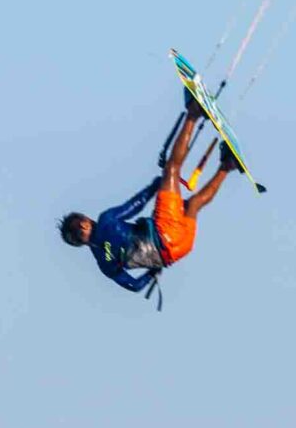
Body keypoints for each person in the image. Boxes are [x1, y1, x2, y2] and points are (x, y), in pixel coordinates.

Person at [59, 99, 240, 298]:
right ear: (84, 225)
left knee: (193, 205)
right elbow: (135, 205)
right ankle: (194, 113)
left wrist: (153, 272)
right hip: (164, 232)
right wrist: (155, 185)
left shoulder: (104, 264)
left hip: (178, 251)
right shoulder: (105, 222)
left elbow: (135, 286)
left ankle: (228, 165)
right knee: (172, 169)